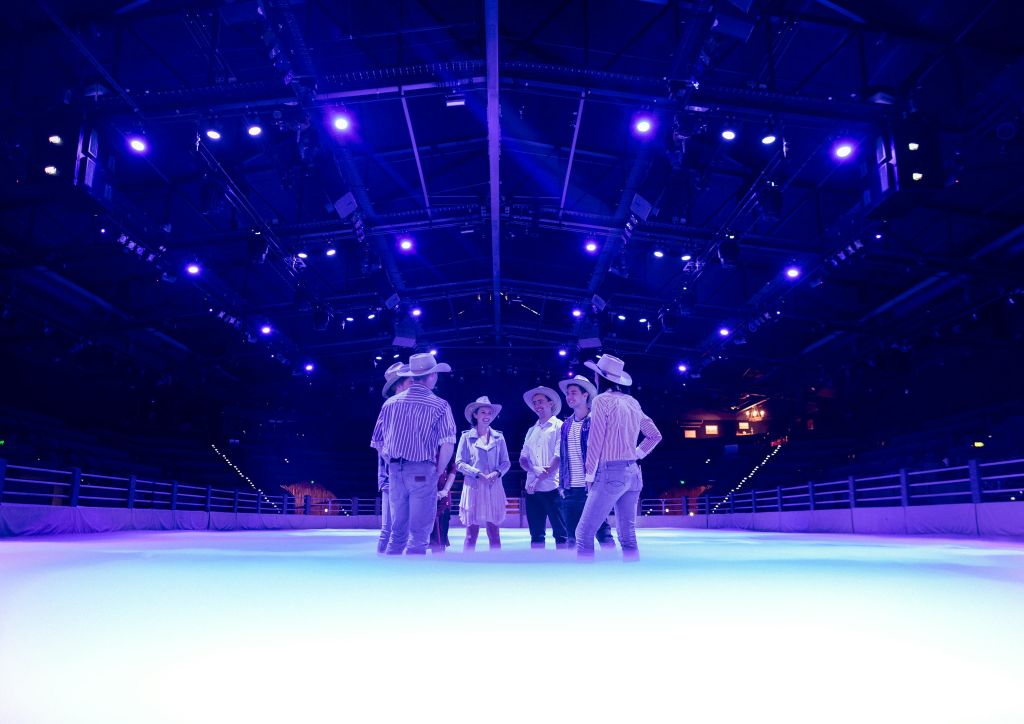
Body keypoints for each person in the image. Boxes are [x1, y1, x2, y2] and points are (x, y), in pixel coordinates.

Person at [575, 355, 662, 561]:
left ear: (599, 377)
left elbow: (595, 441)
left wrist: (588, 477)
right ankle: (632, 584)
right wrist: (636, 454)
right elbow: (654, 435)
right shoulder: (632, 402)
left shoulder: (601, 401)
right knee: (628, 537)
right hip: (633, 474)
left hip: (610, 473)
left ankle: (581, 587)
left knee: (583, 534)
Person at [371, 353, 457, 555]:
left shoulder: (390, 404)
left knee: (397, 532)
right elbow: (448, 444)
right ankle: (412, 581)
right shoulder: (440, 405)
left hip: (395, 471)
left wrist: (392, 462)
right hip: (422, 470)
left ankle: (391, 576)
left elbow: (377, 441)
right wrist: (437, 471)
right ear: (432, 376)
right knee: (419, 535)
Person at [557, 375, 615, 549]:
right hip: (570, 489)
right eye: (568, 393)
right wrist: (562, 485)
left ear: (585, 395)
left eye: (574, 392)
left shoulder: (595, 421)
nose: (569, 397)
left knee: (602, 531)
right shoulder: (565, 424)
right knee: (571, 536)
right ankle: (576, 573)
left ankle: (615, 569)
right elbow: (563, 457)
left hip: (592, 487)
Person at [456, 396, 510, 550]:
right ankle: (468, 569)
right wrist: (477, 473)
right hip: (474, 486)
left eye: (489, 413)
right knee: (471, 535)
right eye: (483, 412)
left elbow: (506, 462)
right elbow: (459, 462)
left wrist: (497, 473)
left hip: (494, 486)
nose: (487, 416)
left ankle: (495, 568)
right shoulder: (466, 437)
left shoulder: (499, 437)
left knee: (495, 534)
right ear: (475, 414)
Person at [519, 385, 569, 549]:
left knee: (561, 534)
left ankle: (565, 571)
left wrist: (538, 478)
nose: (537, 405)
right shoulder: (531, 430)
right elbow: (523, 459)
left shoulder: (560, 426)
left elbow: (559, 457)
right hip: (532, 491)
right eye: (534, 403)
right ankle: (536, 571)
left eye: (540, 401)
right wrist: (534, 471)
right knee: (536, 535)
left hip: (553, 489)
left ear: (551, 404)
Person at [375, 362, 412, 553]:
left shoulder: (407, 409)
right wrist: (397, 465)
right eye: (409, 382)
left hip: (405, 473)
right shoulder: (389, 408)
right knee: (389, 527)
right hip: (392, 475)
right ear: (398, 385)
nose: (413, 385)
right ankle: (383, 566)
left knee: (400, 527)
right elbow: (379, 443)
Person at [430, 458, 457, 552]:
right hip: (423, 494)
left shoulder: (446, 447)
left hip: (443, 495)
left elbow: (453, 471)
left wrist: (445, 491)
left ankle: (439, 561)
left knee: (441, 534)